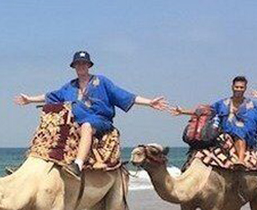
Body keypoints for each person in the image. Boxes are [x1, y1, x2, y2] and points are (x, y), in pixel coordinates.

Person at [14, 50, 167, 178]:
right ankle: (28, 168)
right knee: (49, 126)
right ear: (74, 66)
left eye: (83, 63)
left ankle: (78, 166)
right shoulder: (69, 86)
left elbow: (124, 95)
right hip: (75, 122)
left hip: (99, 121)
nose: (81, 66)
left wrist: (149, 102)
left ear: (88, 65)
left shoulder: (101, 81)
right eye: (78, 64)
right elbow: (50, 96)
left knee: (86, 126)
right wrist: (30, 99)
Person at [171, 76, 257, 167]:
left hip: (245, 137)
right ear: (232, 87)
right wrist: (183, 111)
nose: (238, 89)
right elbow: (205, 111)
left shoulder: (254, 105)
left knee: (239, 131)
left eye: (241, 87)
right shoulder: (222, 103)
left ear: (245, 89)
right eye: (236, 87)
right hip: (224, 135)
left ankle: (241, 160)